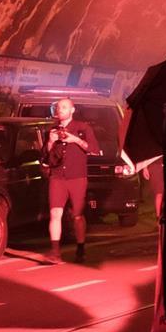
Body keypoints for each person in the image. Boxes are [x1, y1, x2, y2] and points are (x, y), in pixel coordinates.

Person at [42, 97, 100, 264]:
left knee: (77, 215)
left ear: (72, 110)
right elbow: (46, 157)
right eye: (59, 107)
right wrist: (51, 142)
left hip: (77, 177)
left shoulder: (82, 128)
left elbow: (94, 150)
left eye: (64, 107)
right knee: (55, 213)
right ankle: (55, 252)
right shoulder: (52, 130)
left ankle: (80, 248)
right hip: (57, 176)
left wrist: (75, 140)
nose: (61, 110)